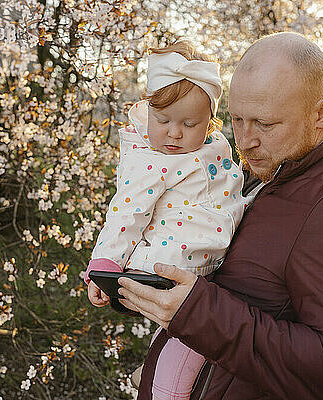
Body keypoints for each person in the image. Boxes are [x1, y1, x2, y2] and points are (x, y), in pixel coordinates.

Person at [117, 32, 323, 400]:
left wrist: (197, 314)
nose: (245, 140)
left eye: (265, 124)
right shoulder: (264, 173)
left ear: (322, 113)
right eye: (237, 119)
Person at [84, 41, 250, 400]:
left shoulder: (210, 146)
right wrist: (104, 265)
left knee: (179, 343)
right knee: (185, 350)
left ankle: (150, 377)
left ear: (210, 123)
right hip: (167, 263)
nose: (174, 133)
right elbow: (125, 213)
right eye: (163, 121)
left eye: (189, 124)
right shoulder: (149, 159)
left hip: (204, 263)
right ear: (147, 110)